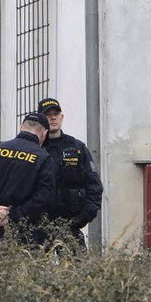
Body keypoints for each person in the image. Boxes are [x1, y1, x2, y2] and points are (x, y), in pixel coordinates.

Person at [0, 112, 56, 242]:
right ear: (44, 133)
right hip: (24, 234)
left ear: (21, 127)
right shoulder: (43, 158)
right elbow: (44, 195)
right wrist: (13, 215)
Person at [37, 97, 103, 249]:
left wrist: (85, 216)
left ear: (62, 117)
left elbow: (94, 185)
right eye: (48, 114)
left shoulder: (77, 147)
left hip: (70, 225)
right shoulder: (34, 148)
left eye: (56, 113)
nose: (53, 117)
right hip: (39, 226)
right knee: (35, 270)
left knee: (76, 270)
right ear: (41, 119)